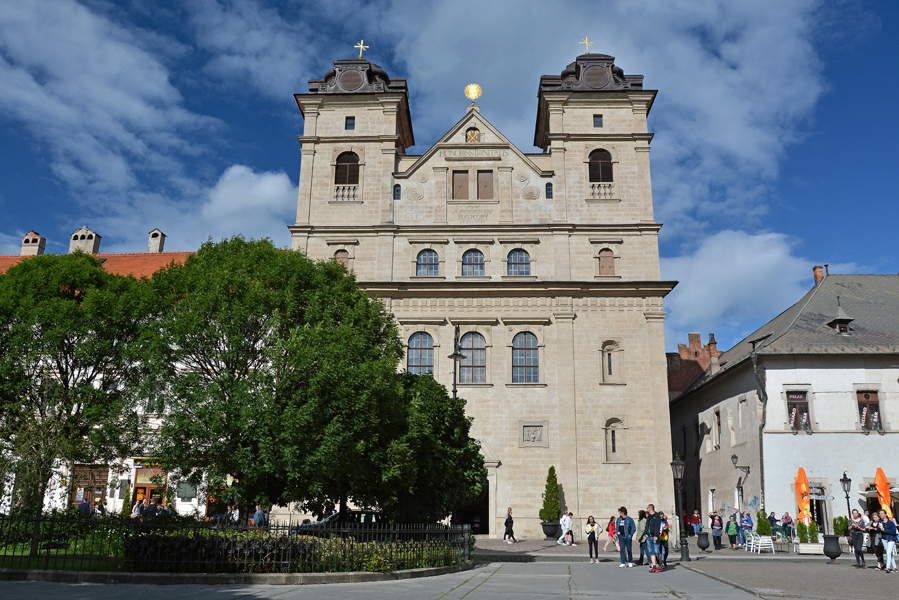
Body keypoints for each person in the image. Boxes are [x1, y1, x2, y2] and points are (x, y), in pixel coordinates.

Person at [645, 504, 663, 572]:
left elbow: (657, 526)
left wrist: (656, 535)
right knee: (651, 552)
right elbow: (647, 525)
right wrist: (646, 533)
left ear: (650, 508)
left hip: (655, 536)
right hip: (649, 536)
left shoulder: (656, 516)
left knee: (657, 552)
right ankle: (654, 566)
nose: (647, 509)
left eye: (647, 508)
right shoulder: (649, 517)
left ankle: (660, 563)